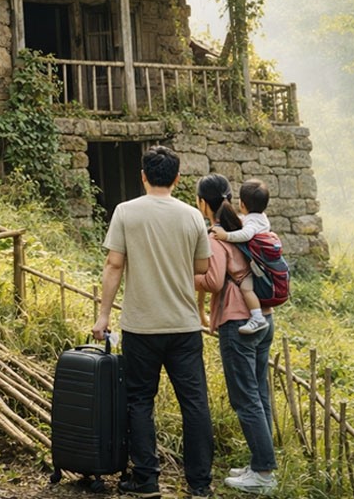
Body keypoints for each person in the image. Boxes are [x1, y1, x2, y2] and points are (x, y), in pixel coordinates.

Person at [92, 145, 213, 499]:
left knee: (139, 401)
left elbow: (114, 265)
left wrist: (103, 315)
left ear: (143, 176)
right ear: (177, 178)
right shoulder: (192, 216)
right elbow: (202, 268)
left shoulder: (126, 212)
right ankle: (200, 485)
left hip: (141, 327)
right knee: (194, 403)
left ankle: (146, 481)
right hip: (184, 326)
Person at [195, 174, 278, 495]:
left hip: (238, 323)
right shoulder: (247, 227)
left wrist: (189, 277)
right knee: (258, 394)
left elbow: (214, 281)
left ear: (204, 203)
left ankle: (264, 473)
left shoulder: (219, 236)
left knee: (245, 399)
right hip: (263, 318)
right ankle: (260, 463)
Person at [206, 179, 271, 335]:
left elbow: (246, 234)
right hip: (262, 263)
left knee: (246, 287)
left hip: (256, 266)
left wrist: (225, 235)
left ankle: (257, 318)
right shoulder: (261, 218)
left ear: (242, 204)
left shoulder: (252, 223)